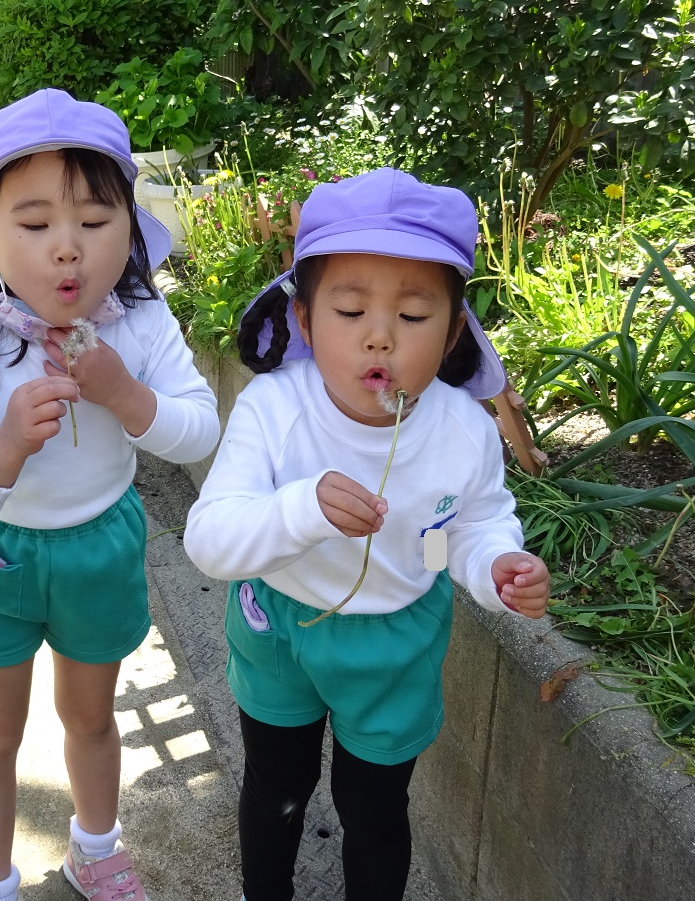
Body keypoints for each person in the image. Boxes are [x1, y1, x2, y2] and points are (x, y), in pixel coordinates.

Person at [184, 168, 552, 901]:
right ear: (302, 319)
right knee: (276, 788)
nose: (379, 335)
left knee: (375, 807)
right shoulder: (272, 409)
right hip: (279, 624)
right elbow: (209, 540)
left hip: (394, 640)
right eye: (349, 310)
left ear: (453, 332)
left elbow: (453, 532)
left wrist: (494, 565)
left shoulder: (460, 431)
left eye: (412, 316)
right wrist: (302, 510)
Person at [0, 88, 220, 901]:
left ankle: (96, 849)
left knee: (90, 718)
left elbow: (199, 432)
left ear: (130, 232)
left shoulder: (140, 322)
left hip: (99, 546)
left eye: (93, 221)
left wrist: (125, 395)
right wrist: (6, 445)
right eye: (33, 223)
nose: (67, 249)